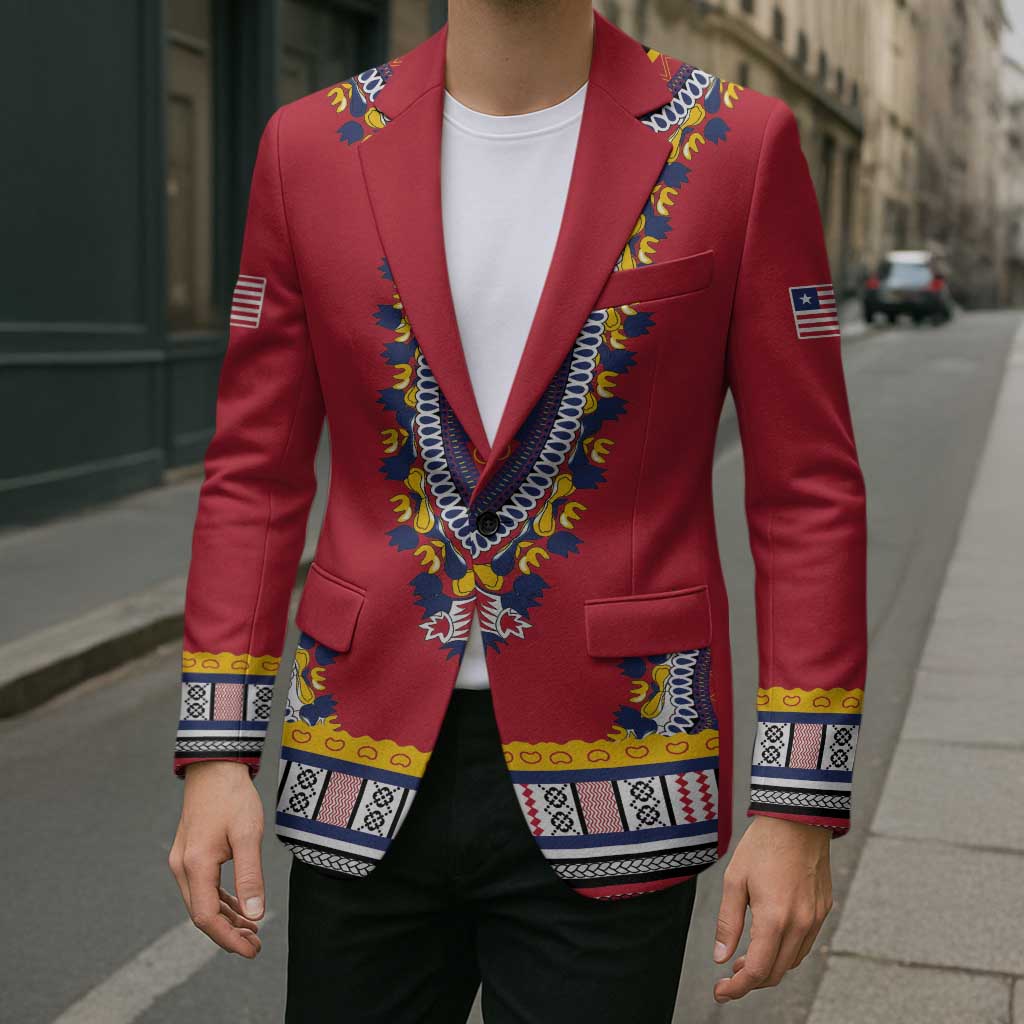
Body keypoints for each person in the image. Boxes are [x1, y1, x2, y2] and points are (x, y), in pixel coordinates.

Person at [168, 2, 867, 1021]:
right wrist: (217, 751)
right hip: (360, 752)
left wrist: (797, 799)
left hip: (623, 760)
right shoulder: (311, 144)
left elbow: (807, 490)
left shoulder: (734, 142)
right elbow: (254, 472)